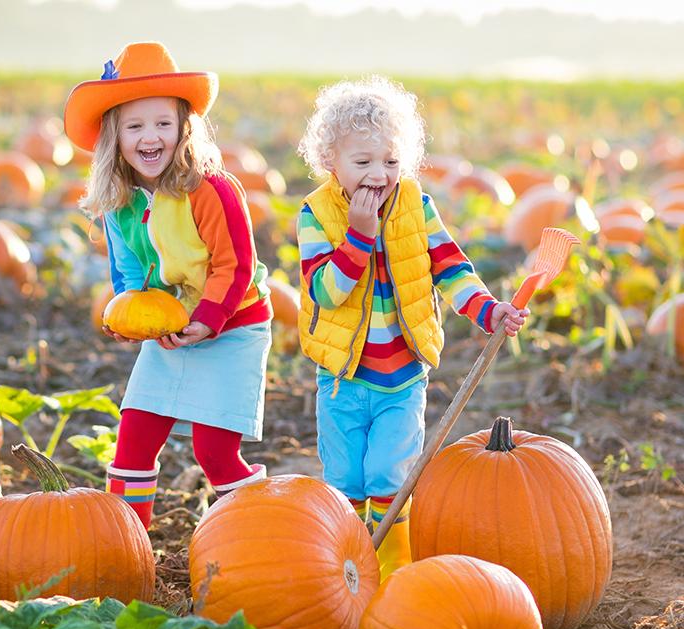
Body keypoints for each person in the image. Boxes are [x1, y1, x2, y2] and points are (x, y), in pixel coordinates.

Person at [295, 76, 528, 580]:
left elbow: (450, 268)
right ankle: (344, 574)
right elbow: (326, 292)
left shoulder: (415, 206)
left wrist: (489, 311)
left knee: (389, 475)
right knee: (344, 480)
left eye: (391, 161)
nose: (379, 175)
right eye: (363, 162)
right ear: (330, 163)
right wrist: (359, 237)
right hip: (341, 379)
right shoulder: (315, 215)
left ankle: (392, 574)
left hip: (401, 378)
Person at [64, 41, 272, 529]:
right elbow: (132, 278)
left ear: (184, 127)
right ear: (114, 137)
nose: (150, 137)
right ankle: (127, 542)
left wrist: (206, 321)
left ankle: (261, 527)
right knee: (134, 435)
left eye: (162, 123)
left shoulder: (210, 188)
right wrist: (130, 320)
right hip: (172, 325)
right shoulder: (119, 202)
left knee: (213, 450)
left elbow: (235, 266)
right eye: (134, 126)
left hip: (232, 323)